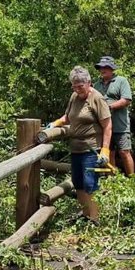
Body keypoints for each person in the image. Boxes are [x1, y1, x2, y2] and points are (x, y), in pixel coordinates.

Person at [49, 66, 112, 223]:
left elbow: (108, 126)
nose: (77, 89)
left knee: (90, 183)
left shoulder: (97, 98)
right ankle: (85, 214)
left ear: (89, 83)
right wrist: (56, 123)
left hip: (91, 148)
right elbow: (68, 117)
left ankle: (95, 218)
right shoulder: (74, 97)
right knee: (78, 183)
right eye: (74, 86)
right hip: (76, 148)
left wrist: (105, 150)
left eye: (80, 86)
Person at [94, 55, 135, 176]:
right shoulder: (96, 85)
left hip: (120, 125)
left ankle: (133, 180)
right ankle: (112, 181)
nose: (103, 69)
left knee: (124, 152)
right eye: (101, 67)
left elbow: (126, 100)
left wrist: (109, 107)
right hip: (104, 127)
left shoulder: (121, 81)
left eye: (106, 67)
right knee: (109, 153)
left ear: (112, 69)